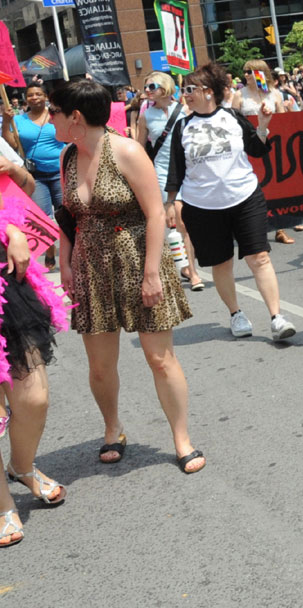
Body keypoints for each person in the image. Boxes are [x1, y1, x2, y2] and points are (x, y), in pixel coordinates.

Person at [52, 79, 203, 474]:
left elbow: (155, 214)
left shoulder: (127, 151)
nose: (50, 118)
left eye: (55, 112)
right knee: (100, 367)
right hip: (91, 267)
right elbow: (68, 216)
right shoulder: (68, 156)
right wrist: (65, 263)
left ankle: (182, 438)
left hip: (138, 260)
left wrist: (152, 274)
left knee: (159, 358)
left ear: (75, 117)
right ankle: (112, 428)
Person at [166, 63, 297, 343]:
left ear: (209, 92)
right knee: (221, 263)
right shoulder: (183, 127)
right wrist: (170, 203)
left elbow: (258, 149)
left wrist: (263, 125)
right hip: (202, 206)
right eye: (184, 89)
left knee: (259, 257)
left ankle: (276, 317)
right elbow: (176, 169)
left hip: (245, 197)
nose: (185, 94)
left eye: (190, 89)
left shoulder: (232, 117)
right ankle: (236, 313)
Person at [0, 152, 70, 547]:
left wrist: (12, 230)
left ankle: (22, 466)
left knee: (35, 397)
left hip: (7, 286)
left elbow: (22, 188)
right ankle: (2, 504)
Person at [133, 73, 204, 292]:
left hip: (188, 170)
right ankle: (192, 272)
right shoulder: (146, 116)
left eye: (152, 86)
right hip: (162, 173)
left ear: (165, 87)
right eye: (145, 87)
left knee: (186, 222)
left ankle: (186, 265)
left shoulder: (184, 110)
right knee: (180, 221)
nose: (147, 90)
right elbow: (139, 148)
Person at [233, 60, 296, 244]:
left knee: (275, 183)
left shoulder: (274, 94)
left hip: (273, 144)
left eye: (250, 72)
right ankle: (253, 228)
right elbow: (232, 120)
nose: (245, 75)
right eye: (245, 71)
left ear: (260, 73)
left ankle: (279, 228)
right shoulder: (239, 95)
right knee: (256, 185)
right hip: (250, 145)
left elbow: (283, 120)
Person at [3, 85, 65, 267]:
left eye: (38, 94)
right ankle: (50, 250)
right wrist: (6, 122)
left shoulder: (55, 116)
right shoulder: (18, 120)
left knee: (65, 215)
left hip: (60, 172)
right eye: (30, 95)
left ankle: (69, 252)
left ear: (45, 97)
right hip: (36, 175)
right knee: (42, 217)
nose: (34, 97)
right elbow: (12, 144)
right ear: (26, 98)